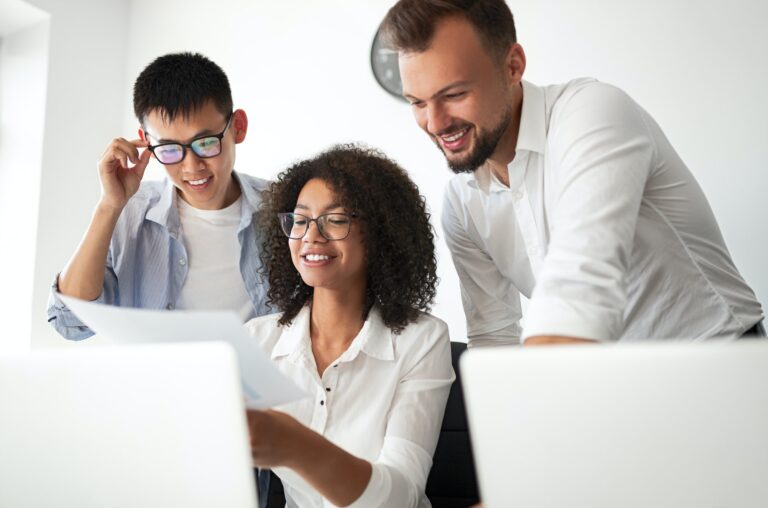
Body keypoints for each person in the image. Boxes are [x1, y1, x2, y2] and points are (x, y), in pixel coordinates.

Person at [381, 0, 765, 346]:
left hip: (719, 359)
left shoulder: (592, 112)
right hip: (616, 391)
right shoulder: (462, 202)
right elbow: (494, 335)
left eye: (454, 95)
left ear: (513, 65)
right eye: (417, 102)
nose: (435, 123)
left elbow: (581, 278)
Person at [244, 144, 454, 507]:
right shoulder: (259, 340)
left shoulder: (422, 340)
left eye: (335, 220)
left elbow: (401, 497)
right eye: (300, 220)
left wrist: (297, 446)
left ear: (379, 235)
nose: (311, 236)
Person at [47, 52, 271, 339]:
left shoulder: (284, 209)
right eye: (168, 149)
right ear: (146, 142)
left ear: (237, 126)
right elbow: (70, 320)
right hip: (153, 384)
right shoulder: (131, 211)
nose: (191, 167)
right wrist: (109, 205)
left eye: (205, 142)